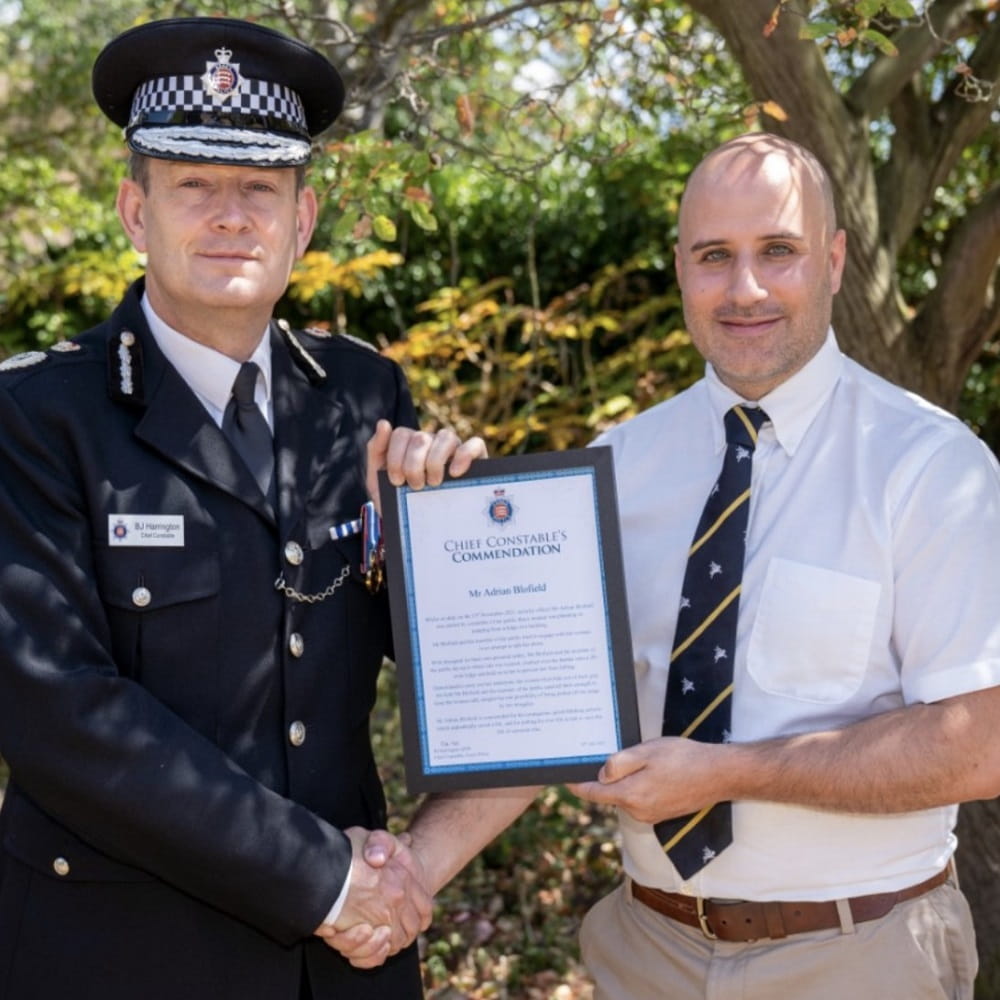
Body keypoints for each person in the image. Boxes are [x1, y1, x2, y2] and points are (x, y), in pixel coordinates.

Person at [345, 133, 1000, 999]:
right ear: (681, 269)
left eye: (779, 252)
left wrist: (733, 772)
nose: (746, 289)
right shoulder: (613, 467)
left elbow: (981, 742)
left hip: (860, 952)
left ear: (836, 261)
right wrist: (409, 872)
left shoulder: (931, 468)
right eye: (714, 257)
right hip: (643, 951)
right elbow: (539, 716)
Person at [0, 16, 478, 1000]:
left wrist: (452, 541)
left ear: (301, 223)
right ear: (136, 212)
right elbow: (60, 712)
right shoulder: (37, 417)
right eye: (194, 187)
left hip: (340, 971)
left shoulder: (362, 398)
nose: (231, 217)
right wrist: (328, 880)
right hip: (120, 960)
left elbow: (431, 669)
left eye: (259, 189)